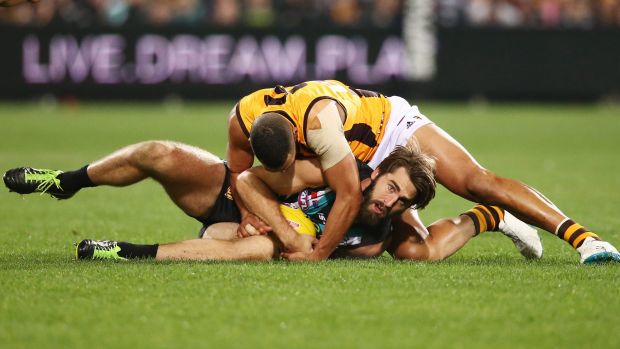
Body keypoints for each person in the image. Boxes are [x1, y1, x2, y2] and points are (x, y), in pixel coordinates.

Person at [226, 80, 619, 264]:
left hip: (388, 134)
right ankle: (489, 218)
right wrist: (247, 217)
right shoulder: (241, 119)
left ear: (295, 139)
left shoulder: (318, 124)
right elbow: (237, 176)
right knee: (415, 252)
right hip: (346, 161)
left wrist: (319, 255)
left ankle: (586, 241)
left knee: (475, 181)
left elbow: (348, 193)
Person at [3, 141, 540, 261]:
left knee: (419, 253)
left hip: (238, 232)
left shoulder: (378, 230)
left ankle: (118, 252)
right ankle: (69, 179)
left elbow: (313, 250)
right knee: (160, 153)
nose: (392, 202)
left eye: (403, 201)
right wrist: (277, 226)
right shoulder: (332, 173)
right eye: (392, 188)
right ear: (374, 174)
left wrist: (275, 240)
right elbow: (245, 181)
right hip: (235, 195)